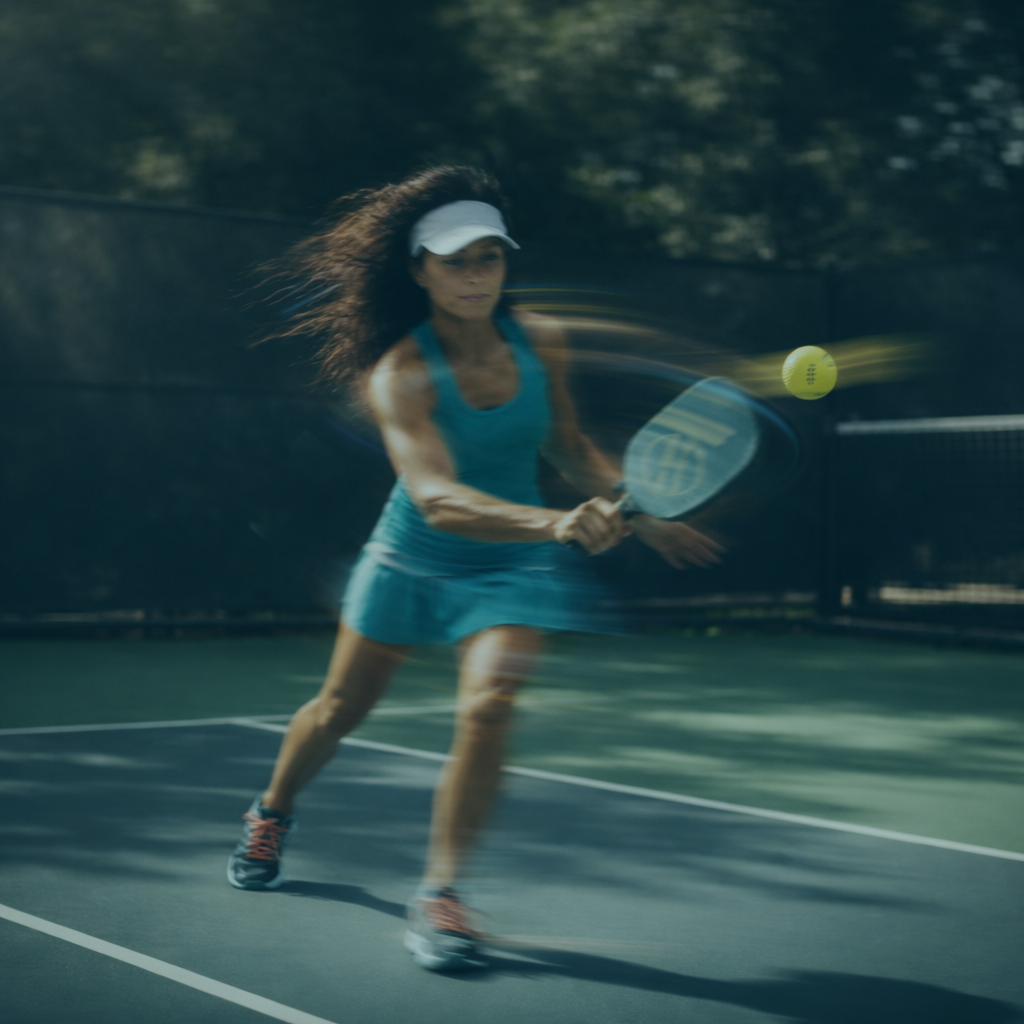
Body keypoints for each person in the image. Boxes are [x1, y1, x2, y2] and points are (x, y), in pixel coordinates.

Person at [227, 166, 723, 971]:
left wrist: (647, 516)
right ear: (420, 269)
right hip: (415, 555)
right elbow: (434, 498)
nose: (474, 274)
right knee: (337, 710)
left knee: (490, 702)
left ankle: (442, 892)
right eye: (456, 260)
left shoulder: (543, 340)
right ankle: (272, 810)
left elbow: (567, 444)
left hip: (516, 567)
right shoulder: (399, 374)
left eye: (489, 257)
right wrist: (558, 521)